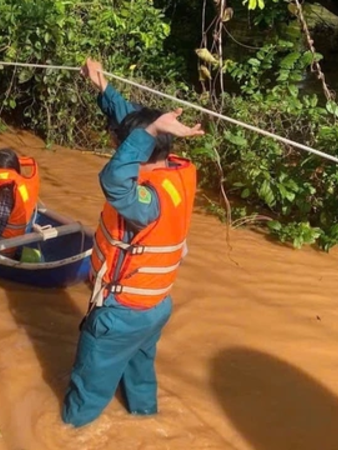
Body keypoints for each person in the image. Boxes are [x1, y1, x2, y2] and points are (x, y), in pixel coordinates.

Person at [61, 58, 204, 428]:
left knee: (88, 388)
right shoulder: (175, 169)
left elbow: (113, 179)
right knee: (139, 375)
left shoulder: (145, 200)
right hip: (155, 306)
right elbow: (130, 123)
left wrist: (147, 129)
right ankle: (144, 423)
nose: (113, 143)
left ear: (137, 148)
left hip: (122, 312)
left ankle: (70, 433)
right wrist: (103, 87)